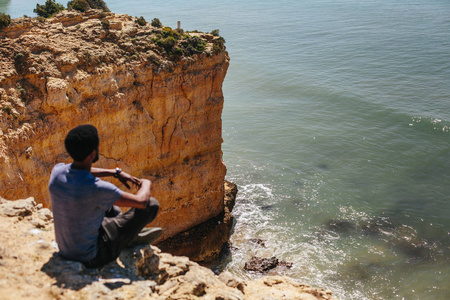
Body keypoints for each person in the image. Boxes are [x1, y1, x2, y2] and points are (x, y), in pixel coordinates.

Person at [48, 124, 162, 268]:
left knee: (112, 209)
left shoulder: (57, 172)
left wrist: (115, 172)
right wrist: (146, 183)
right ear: (93, 153)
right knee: (151, 205)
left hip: (66, 248)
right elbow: (142, 201)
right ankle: (128, 237)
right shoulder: (96, 188)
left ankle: (125, 233)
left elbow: (81, 169)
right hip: (91, 256)